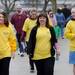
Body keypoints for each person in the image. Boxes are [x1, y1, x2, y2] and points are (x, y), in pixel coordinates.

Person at [64, 7, 75, 75]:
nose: (74, 14)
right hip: (73, 47)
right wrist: (74, 35)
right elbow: (66, 34)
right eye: (72, 12)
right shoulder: (69, 23)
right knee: (74, 64)